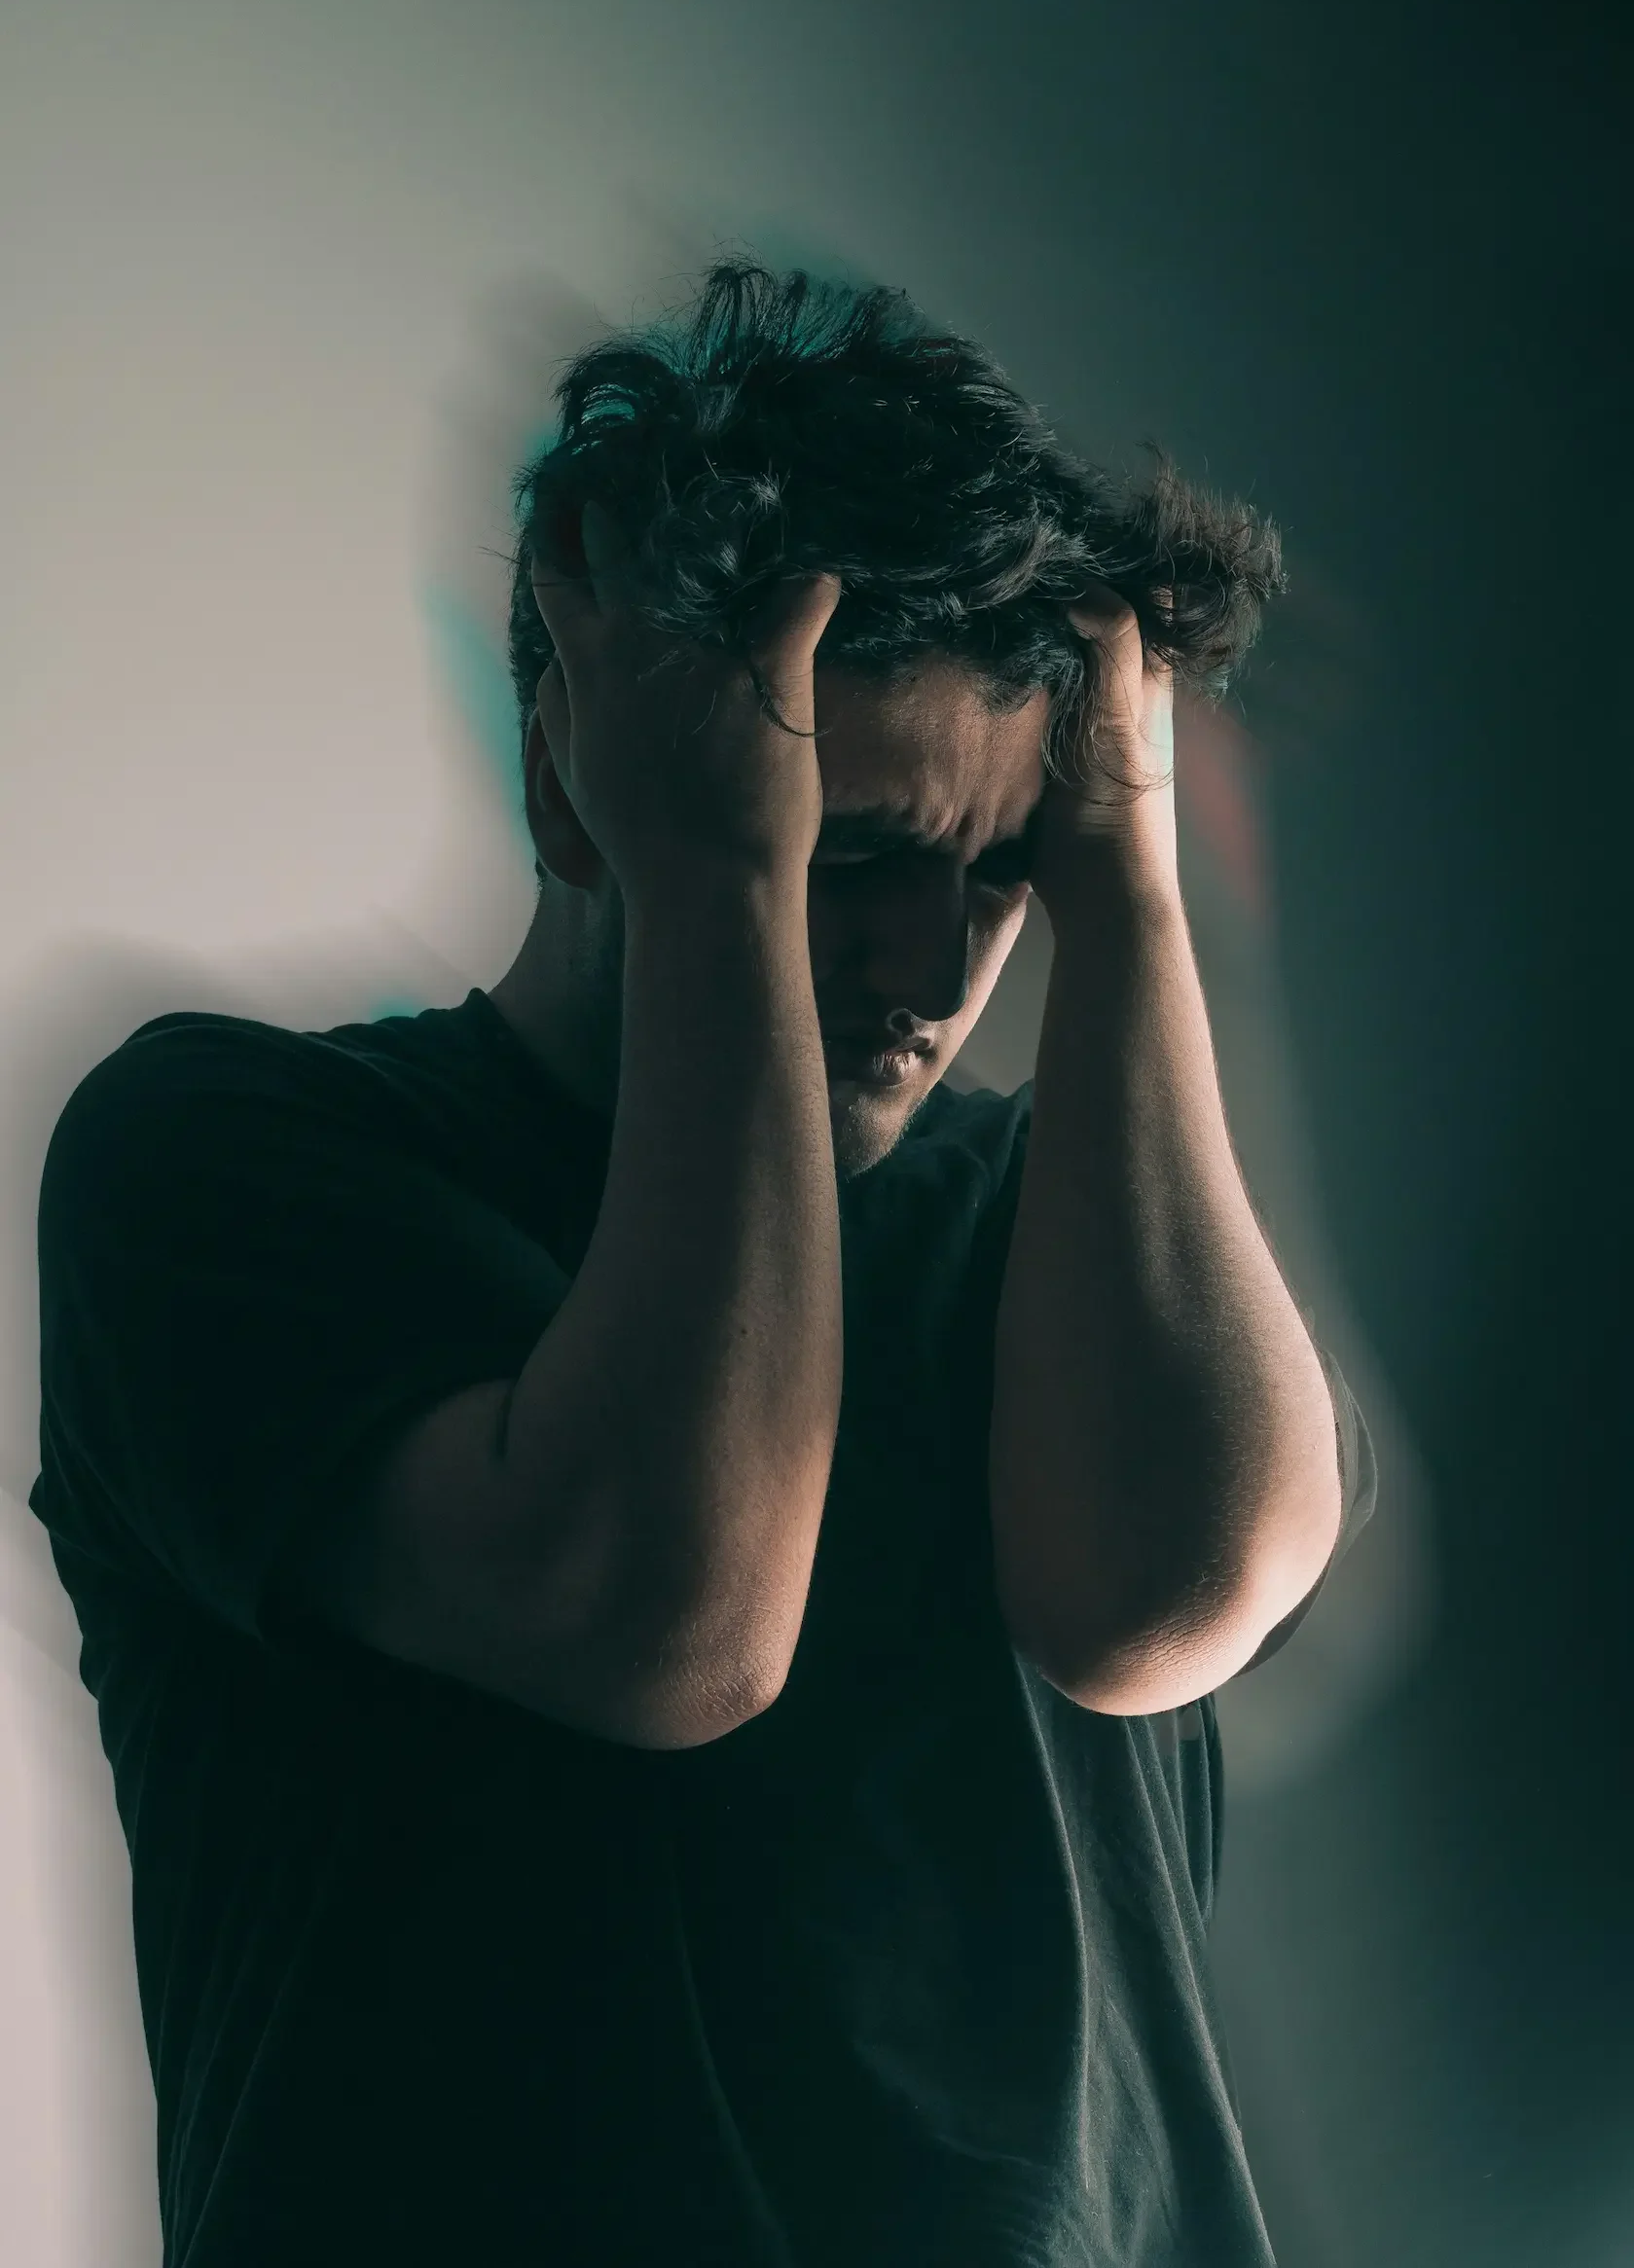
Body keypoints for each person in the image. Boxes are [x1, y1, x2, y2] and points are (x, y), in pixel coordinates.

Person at [31, 262, 1375, 2266]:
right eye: (851, 853)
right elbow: (667, 1613)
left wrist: (1128, 894)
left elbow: (1168, 1595)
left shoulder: (1064, 1216)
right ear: (580, 779)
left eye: (998, 868)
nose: (932, 969)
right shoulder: (226, 1160)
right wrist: (721, 872)